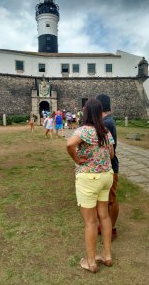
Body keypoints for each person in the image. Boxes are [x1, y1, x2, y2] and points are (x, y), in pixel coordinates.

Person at [67, 98, 114, 273]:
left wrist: (78, 159)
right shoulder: (105, 130)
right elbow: (111, 154)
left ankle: (91, 262)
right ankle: (107, 256)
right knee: (105, 216)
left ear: (86, 112)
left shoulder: (84, 130)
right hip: (106, 176)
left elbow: (70, 144)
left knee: (90, 221)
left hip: (89, 178)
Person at [96, 94, 119, 240]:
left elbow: (109, 149)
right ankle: (106, 225)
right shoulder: (107, 121)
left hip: (110, 166)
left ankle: (112, 228)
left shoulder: (106, 123)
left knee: (111, 199)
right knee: (106, 199)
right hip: (108, 166)